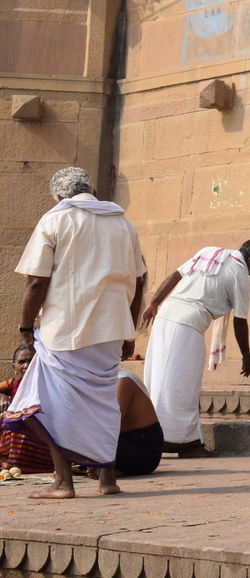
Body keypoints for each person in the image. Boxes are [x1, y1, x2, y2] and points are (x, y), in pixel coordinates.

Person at [7, 167, 147, 499]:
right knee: (102, 401)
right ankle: (107, 480)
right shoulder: (123, 224)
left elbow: (36, 282)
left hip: (66, 330)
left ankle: (63, 483)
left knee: (57, 403)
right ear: (91, 190)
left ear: (59, 196)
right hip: (111, 330)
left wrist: (26, 326)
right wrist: (129, 331)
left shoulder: (55, 220)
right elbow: (139, 281)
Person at [140, 240, 250, 457]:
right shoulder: (239, 274)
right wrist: (246, 356)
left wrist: (153, 303)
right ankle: (183, 443)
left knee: (159, 383)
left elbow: (176, 275)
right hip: (186, 325)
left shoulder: (210, 251)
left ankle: (161, 437)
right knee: (183, 386)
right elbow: (240, 321)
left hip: (164, 316)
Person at [0, 345, 53, 474]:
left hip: (39, 434)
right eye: (21, 362)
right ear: (14, 368)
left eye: (31, 361)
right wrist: (3, 395)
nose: (26, 366)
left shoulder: (48, 384)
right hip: (14, 434)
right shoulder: (12, 384)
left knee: (19, 421)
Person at [113, 370, 164, 477]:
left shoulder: (123, 379)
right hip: (117, 444)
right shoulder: (91, 381)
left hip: (141, 451)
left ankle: (106, 471)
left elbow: (112, 424)